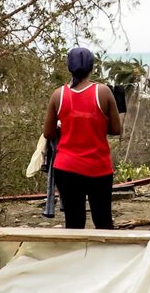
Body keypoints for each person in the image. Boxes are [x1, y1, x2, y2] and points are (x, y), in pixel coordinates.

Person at [42, 47, 122, 229]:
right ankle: (105, 257)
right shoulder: (103, 92)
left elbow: (48, 133)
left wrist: (66, 127)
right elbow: (116, 129)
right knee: (103, 221)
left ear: (69, 67)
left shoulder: (58, 95)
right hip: (98, 168)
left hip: (66, 168)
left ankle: (77, 257)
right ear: (92, 67)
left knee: (74, 222)